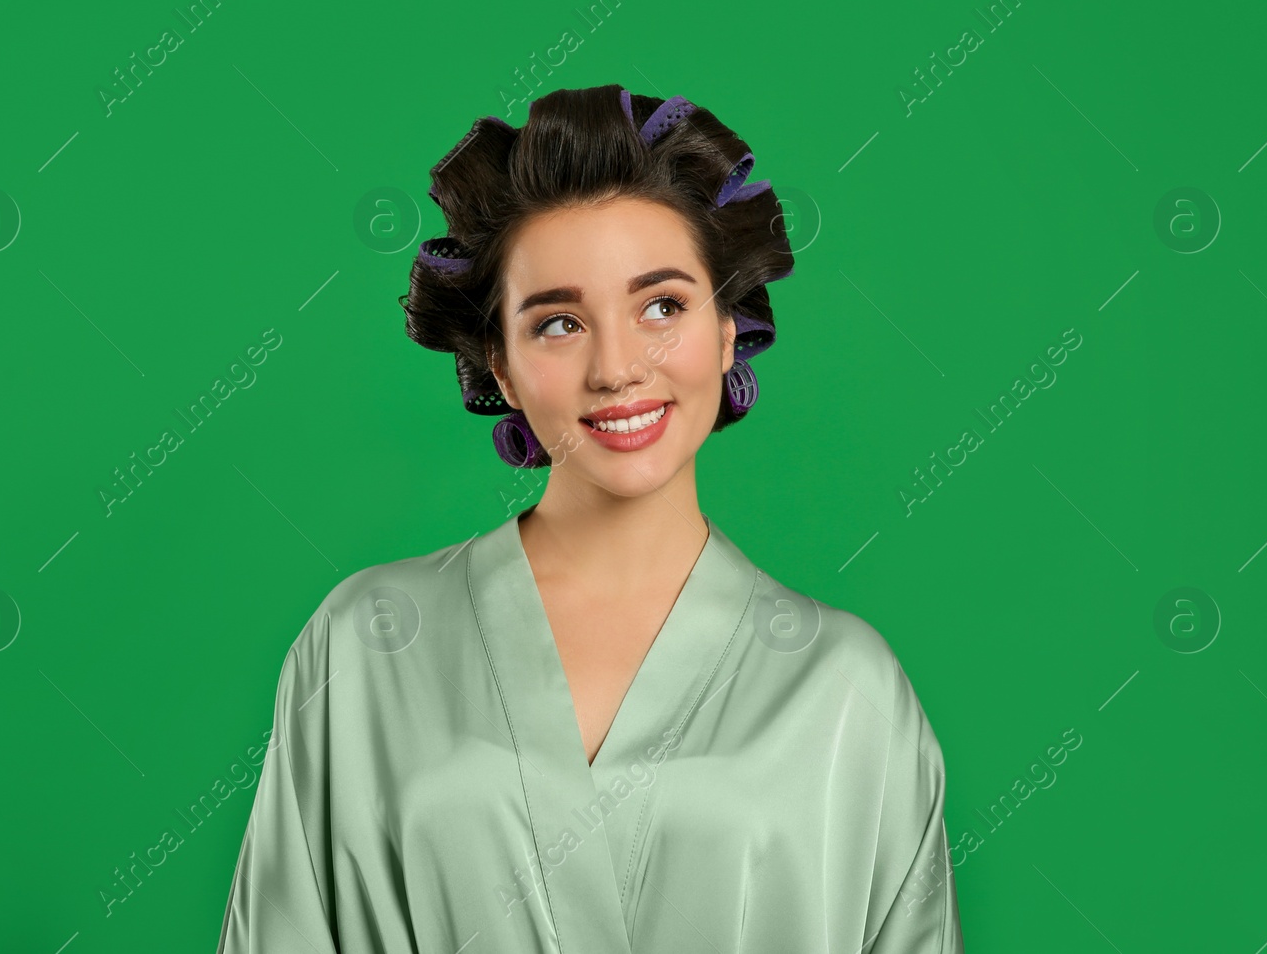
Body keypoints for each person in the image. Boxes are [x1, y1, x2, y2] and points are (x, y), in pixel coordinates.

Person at [216, 84, 963, 953]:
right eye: (560, 322)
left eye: (662, 306)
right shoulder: (369, 643)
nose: (616, 367)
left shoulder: (846, 688)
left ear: (728, 329)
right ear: (497, 362)